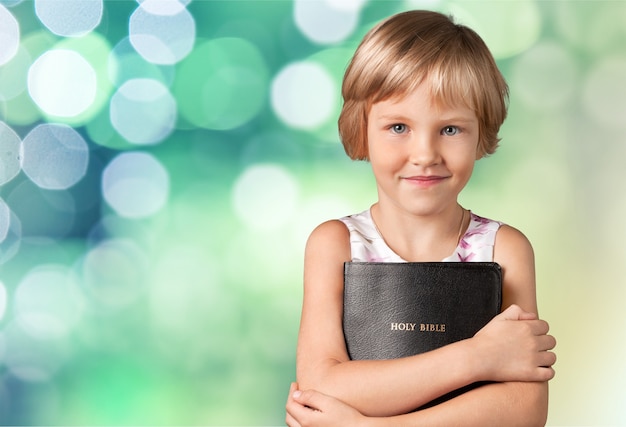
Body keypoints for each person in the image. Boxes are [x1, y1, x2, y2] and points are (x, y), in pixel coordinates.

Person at [285, 9, 557, 427]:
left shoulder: (505, 249)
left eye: (450, 129)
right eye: (398, 127)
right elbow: (322, 386)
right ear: (362, 129)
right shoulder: (334, 244)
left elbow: (523, 412)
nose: (425, 154)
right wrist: (479, 357)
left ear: (481, 132)